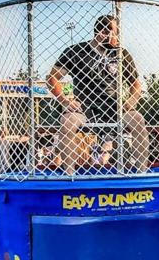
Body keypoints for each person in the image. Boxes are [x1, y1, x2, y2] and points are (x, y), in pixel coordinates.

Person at [47, 15, 149, 174]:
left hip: (115, 108)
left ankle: (142, 173)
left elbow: (136, 84)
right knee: (67, 121)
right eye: (115, 33)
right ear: (102, 32)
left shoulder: (121, 54)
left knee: (137, 119)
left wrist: (131, 101)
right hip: (85, 108)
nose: (117, 38)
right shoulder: (77, 51)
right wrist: (65, 101)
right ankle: (69, 176)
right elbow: (52, 78)